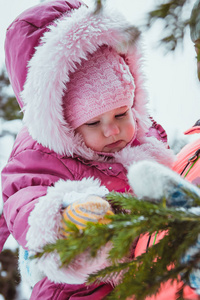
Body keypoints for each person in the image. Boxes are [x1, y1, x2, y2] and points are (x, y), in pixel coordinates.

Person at [1, 0, 197, 299]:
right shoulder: (38, 157)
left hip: (146, 261)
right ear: (64, 125)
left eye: (121, 114)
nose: (113, 129)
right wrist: (66, 214)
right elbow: (22, 203)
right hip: (80, 287)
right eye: (94, 122)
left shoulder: (144, 138)